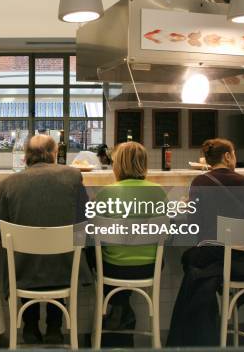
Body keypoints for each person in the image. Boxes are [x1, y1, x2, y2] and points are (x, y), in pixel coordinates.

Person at [167, 138, 244, 347]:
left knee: (196, 265)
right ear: (228, 156)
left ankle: (199, 335)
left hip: (214, 258)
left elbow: (195, 224)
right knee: (200, 267)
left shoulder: (200, 182)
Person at [0, 134, 88, 344]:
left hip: (23, 271)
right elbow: (84, 221)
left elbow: (0, 232)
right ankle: (54, 327)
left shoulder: (7, 184)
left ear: (26, 156)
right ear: (54, 154)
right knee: (57, 257)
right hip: (64, 268)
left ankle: (30, 326)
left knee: (28, 258)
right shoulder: (74, 176)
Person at [93, 142, 167, 339]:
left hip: (113, 268)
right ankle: (122, 309)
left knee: (93, 252)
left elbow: (96, 234)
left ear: (117, 165)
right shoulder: (159, 192)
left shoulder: (105, 193)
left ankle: (117, 307)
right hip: (150, 268)